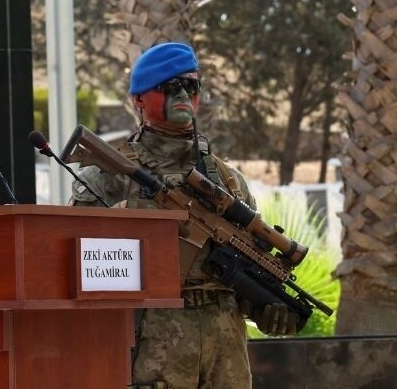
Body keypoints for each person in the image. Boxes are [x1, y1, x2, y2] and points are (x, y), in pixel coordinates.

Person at [69, 42, 296, 389]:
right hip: (154, 339)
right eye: (169, 86)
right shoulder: (108, 176)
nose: (183, 94)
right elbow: (77, 262)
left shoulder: (228, 181)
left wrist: (267, 308)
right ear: (139, 100)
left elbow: (248, 263)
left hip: (225, 346)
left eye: (191, 86)